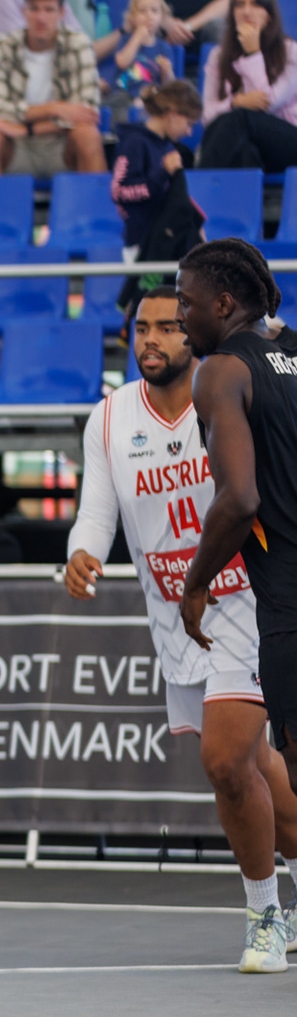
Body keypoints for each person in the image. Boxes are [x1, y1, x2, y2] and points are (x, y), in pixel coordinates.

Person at [67, 286, 297, 970]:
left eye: (168, 326)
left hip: (247, 599)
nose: (152, 339)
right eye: (143, 328)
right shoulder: (110, 418)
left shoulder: (227, 391)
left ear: (193, 331)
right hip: (176, 613)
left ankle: (264, 916)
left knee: (224, 759)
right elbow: (97, 511)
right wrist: (82, 550)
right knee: (257, 769)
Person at [177, 240, 297, 964]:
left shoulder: (221, 370)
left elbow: (240, 497)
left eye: (187, 303)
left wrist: (195, 581)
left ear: (224, 304)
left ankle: (269, 918)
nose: (181, 317)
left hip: (287, 600)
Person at [0, 0, 108, 178]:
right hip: (16, 146)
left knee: (87, 134)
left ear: (61, 13)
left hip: (61, 143)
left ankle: (93, 199)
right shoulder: (0, 47)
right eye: (34, 9)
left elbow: (86, 113)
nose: (41, 18)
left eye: (49, 9)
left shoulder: (78, 45)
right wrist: (55, 108)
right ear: (24, 12)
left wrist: (27, 129)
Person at [197, 0, 297, 173]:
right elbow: (207, 116)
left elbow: (266, 104)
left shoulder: (291, 51)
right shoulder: (218, 55)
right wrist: (235, 103)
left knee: (240, 118)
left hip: (289, 140)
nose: (247, 11)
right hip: (250, 143)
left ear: (269, 14)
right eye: (240, 4)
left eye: (256, 4)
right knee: (244, 152)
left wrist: (253, 53)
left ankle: (197, 183)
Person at [111, 79, 204, 260]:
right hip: (141, 246)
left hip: (164, 242)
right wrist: (162, 172)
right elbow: (119, 192)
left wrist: (195, 223)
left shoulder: (167, 146)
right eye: (189, 124)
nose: (189, 132)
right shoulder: (134, 142)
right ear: (173, 114)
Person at [100, 0, 179, 123]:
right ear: (133, 18)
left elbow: (168, 85)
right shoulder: (126, 40)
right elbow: (122, 62)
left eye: (154, 11)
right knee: (117, 107)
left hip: (150, 98)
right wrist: (137, 37)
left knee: (162, 105)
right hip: (122, 94)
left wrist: (167, 72)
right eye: (142, 11)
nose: (149, 15)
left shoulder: (163, 47)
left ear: (161, 17)